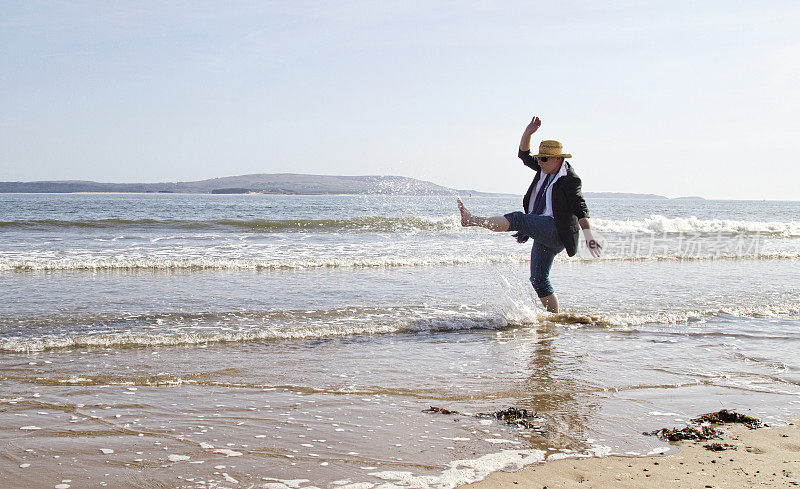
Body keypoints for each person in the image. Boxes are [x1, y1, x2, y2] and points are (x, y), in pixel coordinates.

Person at [457, 115, 601, 313]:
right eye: (539, 158)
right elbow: (524, 155)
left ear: (558, 159)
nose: (539, 162)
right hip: (543, 230)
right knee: (538, 279)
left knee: (519, 219)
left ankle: (471, 220)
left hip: (556, 231)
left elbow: (581, 208)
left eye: (543, 158)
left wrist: (589, 236)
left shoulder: (570, 180)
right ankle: (555, 319)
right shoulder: (544, 168)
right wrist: (527, 133)